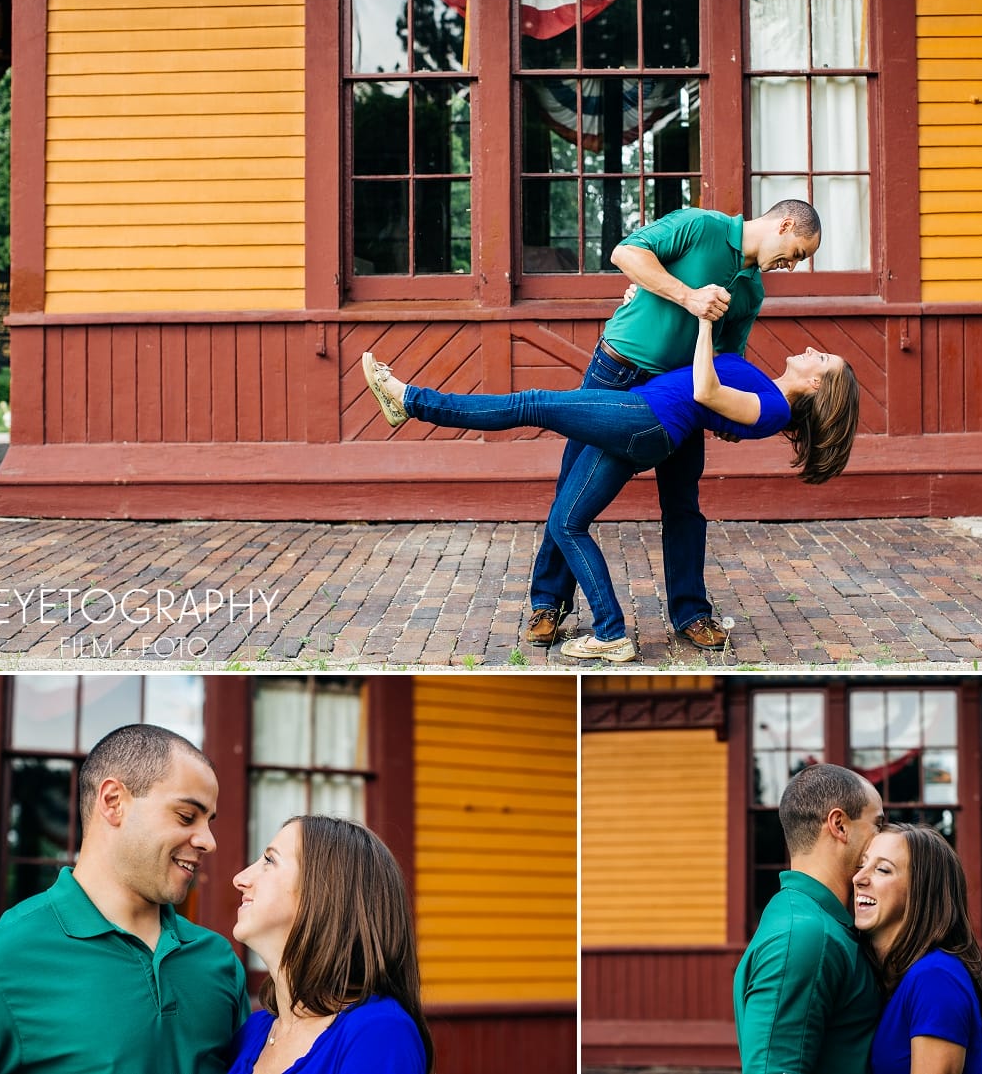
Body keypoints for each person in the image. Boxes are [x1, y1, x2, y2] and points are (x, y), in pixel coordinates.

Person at [363, 309, 858, 661]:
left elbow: (705, 388)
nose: (813, 350)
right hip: (642, 420)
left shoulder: (774, 407)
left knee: (532, 403)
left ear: (818, 386)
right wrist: (640, 313)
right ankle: (611, 633)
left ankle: (410, 401)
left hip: (641, 418)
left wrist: (704, 316)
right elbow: (709, 390)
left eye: (823, 359)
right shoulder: (767, 393)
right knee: (567, 520)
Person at [523, 199, 824, 652]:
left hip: (678, 402)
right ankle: (549, 603)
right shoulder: (700, 225)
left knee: (683, 504)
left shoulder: (753, 292)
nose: (794, 265)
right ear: (784, 225)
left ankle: (692, 612)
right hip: (618, 370)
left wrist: (727, 413)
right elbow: (626, 253)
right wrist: (686, 295)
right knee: (572, 486)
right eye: (798, 252)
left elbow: (727, 357)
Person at [0, 723, 249, 1074]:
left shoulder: (217, 961)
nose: (208, 841)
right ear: (113, 802)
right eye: (187, 816)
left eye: (208, 821)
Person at [228, 815, 432, 1074]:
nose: (240, 878)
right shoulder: (253, 1032)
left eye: (270, 860)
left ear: (324, 894)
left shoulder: (378, 1033)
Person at [734, 763, 885, 1074]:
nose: (883, 840)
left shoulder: (820, 923)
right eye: (878, 825)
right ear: (839, 825)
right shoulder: (804, 936)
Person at [852, 824, 982, 1074]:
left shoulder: (935, 978)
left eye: (882, 869)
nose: (859, 878)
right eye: (861, 865)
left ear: (921, 891)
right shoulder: (896, 977)